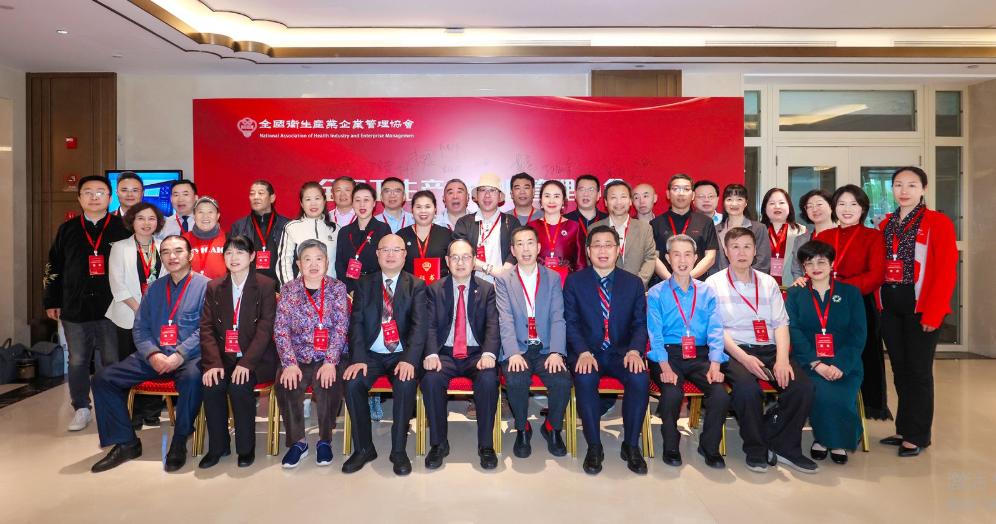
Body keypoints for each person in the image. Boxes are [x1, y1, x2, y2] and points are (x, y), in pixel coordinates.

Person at [89, 235, 210, 472]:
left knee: (193, 378)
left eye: (178, 251)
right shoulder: (154, 288)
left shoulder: (206, 286)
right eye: (165, 252)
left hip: (190, 357)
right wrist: (153, 354)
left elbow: (207, 328)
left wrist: (179, 355)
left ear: (190, 255)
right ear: (161, 257)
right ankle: (126, 442)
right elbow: (140, 327)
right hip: (154, 355)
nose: (172, 256)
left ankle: (179, 441)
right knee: (103, 378)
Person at [705, 227, 817, 474]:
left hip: (770, 348)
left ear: (755, 250)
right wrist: (745, 359)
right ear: (726, 251)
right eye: (735, 247)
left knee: (802, 387)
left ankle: (785, 446)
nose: (741, 252)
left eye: (747, 247)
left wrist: (782, 360)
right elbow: (716, 330)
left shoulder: (767, 282)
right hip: (734, 350)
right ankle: (756, 449)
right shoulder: (713, 283)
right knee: (747, 389)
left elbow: (781, 324)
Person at [877, 166, 957, 457]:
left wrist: (934, 313)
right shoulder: (886, 224)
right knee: (899, 370)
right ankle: (904, 428)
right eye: (898, 184)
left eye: (911, 185)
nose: (904, 191)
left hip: (921, 305)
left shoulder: (938, 222)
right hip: (890, 303)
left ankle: (918, 435)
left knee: (919, 371)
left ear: (923, 189)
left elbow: (946, 270)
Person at [44, 175, 130, 432]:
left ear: (109, 197)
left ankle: (110, 405)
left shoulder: (122, 228)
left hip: (112, 307)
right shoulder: (67, 229)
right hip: (75, 306)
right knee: (78, 360)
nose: (94, 197)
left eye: (100, 192)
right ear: (79, 198)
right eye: (88, 192)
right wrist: (51, 299)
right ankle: (81, 407)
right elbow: (53, 266)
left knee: (111, 359)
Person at [564, 225, 650, 475]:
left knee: (639, 378)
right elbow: (570, 322)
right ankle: (594, 446)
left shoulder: (633, 283)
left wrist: (635, 351)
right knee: (585, 378)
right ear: (588, 251)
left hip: (622, 352)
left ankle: (631, 445)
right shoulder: (575, 281)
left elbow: (640, 324)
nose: (603, 251)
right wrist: (582, 351)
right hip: (588, 352)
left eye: (608, 245)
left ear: (618, 249)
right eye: (597, 246)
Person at [341, 234, 427, 476]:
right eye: (385, 250)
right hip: (370, 354)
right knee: (352, 382)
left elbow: (420, 327)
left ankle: (398, 450)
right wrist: (358, 358)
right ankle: (364, 448)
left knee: (406, 383)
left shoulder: (416, 286)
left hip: (401, 353)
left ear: (404, 255)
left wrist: (409, 360)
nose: (390, 255)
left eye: (396, 250)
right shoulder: (364, 284)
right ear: (377, 254)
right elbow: (356, 323)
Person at [647, 234, 729, 468]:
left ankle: (709, 446)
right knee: (672, 394)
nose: (682, 261)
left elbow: (715, 329)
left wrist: (715, 364)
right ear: (667, 258)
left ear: (695, 258)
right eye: (676, 255)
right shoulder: (656, 293)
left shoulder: (707, 292)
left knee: (720, 395)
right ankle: (671, 445)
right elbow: (655, 334)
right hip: (667, 354)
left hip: (700, 354)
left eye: (687, 255)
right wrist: (664, 366)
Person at [198, 235, 279, 469]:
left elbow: (265, 328)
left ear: (252, 256)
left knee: (239, 386)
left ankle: (245, 448)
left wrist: (246, 363)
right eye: (229, 253)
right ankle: (218, 446)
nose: (234, 257)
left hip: (256, 359)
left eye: (240, 252)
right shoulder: (215, 287)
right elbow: (207, 328)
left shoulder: (265, 285)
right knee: (212, 384)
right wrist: (213, 363)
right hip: (224, 357)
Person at [421, 239, 501, 470]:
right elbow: (429, 326)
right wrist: (431, 354)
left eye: (466, 257)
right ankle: (438, 444)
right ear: (447, 261)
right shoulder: (434, 289)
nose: (460, 262)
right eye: (454, 257)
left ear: (474, 261)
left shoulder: (486, 289)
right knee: (430, 380)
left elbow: (492, 325)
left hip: (476, 354)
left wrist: (489, 353)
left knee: (488, 380)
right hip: (444, 354)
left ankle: (486, 445)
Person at [787, 240, 866, 465]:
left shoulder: (850, 293)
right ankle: (823, 439)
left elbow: (858, 333)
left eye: (821, 262)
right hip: (808, 360)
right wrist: (816, 363)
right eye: (809, 263)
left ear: (832, 264)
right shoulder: (796, 293)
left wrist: (840, 364)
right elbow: (794, 330)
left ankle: (837, 441)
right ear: (803, 267)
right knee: (820, 393)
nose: (816, 267)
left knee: (841, 396)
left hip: (845, 362)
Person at [813, 185, 889, 420]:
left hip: (859, 304)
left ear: (863, 208)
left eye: (854, 204)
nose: (847, 209)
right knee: (827, 354)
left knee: (863, 357)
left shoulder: (873, 236)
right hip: (825, 304)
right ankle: (828, 405)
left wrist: (842, 290)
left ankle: (864, 409)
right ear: (834, 207)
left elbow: (876, 275)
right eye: (842, 204)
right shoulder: (824, 236)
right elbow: (813, 267)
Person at [495, 226, 571, 458]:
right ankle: (522, 428)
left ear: (538, 248)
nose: (525, 249)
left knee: (562, 380)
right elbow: (505, 319)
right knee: (516, 379)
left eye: (530, 243)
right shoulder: (503, 279)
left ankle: (552, 427)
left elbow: (558, 317)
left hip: (546, 348)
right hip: (518, 347)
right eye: (519, 244)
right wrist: (513, 353)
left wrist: (557, 352)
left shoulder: (552, 277)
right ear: (512, 250)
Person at [273, 239, 350, 468]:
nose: (313, 264)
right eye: (307, 259)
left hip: (328, 355)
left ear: (326, 262)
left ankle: (324, 440)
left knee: (328, 383)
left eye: (318, 259)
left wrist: (330, 362)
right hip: (297, 356)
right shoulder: (289, 290)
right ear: (298, 264)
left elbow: (341, 327)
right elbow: (280, 328)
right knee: (287, 383)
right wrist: (289, 363)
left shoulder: (337, 288)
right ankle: (298, 442)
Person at [105, 202, 165, 427]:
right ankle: (132, 413)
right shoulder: (120, 247)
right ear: (132, 221)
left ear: (158, 222)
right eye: (141, 218)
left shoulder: (164, 245)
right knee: (131, 364)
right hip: (128, 315)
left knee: (155, 360)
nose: (146, 223)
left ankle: (151, 410)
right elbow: (117, 284)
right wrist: (140, 309)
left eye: (151, 218)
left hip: (157, 316)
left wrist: (153, 311)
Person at [650, 174, 718, 282]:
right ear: (668, 194)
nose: (681, 193)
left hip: (696, 284)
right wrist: (671, 281)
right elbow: (654, 257)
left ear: (693, 195)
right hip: (664, 284)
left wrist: (687, 279)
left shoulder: (706, 222)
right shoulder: (655, 223)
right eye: (676, 189)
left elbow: (710, 257)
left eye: (686, 189)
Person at [453, 173, 518, 283]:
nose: (487, 195)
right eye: (483, 190)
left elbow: (517, 249)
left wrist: (504, 272)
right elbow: (460, 253)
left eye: (492, 190)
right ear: (477, 196)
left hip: (504, 284)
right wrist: (489, 269)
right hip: (471, 284)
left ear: (499, 196)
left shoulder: (511, 222)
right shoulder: (464, 223)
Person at [592, 181, 657, 288]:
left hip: (637, 289)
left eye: (623, 197)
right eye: (613, 197)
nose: (619, 202)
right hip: (605, 289)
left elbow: (650, 258)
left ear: (630, 201)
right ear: (606, 202)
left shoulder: (645, 228)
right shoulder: (594, 229)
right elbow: (592, 260)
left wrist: (636, 284)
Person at [277, 181, 340, 285]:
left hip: (331, 290)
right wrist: (290, 289)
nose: (313, 203)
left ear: (324, 201)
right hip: (301, 290)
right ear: (301, 203)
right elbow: (284, 262)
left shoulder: (335, 229)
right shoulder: (292, 227)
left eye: (317, 198)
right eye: (308, 199)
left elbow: (340, 264)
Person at [229, 179, 290, 282]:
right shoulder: (239, 226)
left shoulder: (287, 226)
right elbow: (232, 259)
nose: (255, 197)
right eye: (252, 194)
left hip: (280, 286)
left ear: (272, 198)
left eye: (261, 193)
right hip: (249, 285)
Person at [335, 182, 392, 290]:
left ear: (374, 203)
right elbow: (340, 265)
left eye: (366, 200)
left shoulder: (383, 229)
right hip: (350, 289)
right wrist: (350, 290)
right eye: (357, 200)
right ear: (352, 203)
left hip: (375, 288)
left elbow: (388, 262)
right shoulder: (344, 232)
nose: (362, 205)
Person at [527, 180, 586, 283]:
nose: (551, 201)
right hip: (537, 283)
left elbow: (580, 264)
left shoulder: (574, 227)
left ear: (563, 201)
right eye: (547, 196)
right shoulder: (531, 226)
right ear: (541, 200)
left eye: (556, 196)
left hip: (567, 284)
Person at [713, 183, 771, 274]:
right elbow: (713, 263)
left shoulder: (759, 228)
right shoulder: (715, 230)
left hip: (751, 280)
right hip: (720, 281)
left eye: (739, 199)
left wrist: (743, 277)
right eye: (729, 199)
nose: (734, 203)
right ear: (724, 203)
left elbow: (763, 262)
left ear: (746, 203)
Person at [398, 190, 453, 284]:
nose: (423, 211)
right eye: (418, 207)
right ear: (412, 210)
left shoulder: (446, 234)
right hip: (409, 289)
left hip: (440, 289)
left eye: (427, 207)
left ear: (435, 209)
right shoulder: (401, 236)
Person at [760, 188, 807, 285]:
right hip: (762, 288)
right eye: (772, 203)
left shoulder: (801, 232)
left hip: (792, 287)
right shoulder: (757, 231)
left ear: (789, 206)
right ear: (765, 208)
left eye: (781, 203)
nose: (777, 206)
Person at [792, 189, 835, 281]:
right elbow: (796, 271)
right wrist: (799, 280)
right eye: (809, 206)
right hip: (808, 288)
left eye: (819, 204)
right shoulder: (801, 239)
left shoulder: (842, 236)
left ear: (831, 206)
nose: (815, 209)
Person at [183, 196, 227, 279]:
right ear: (194, 216)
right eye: (200, 212)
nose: (205, 216)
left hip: (221, 287)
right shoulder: (183, 240)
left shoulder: (228, 239)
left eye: (210, 212)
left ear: (218, 216)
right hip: (190, 286)